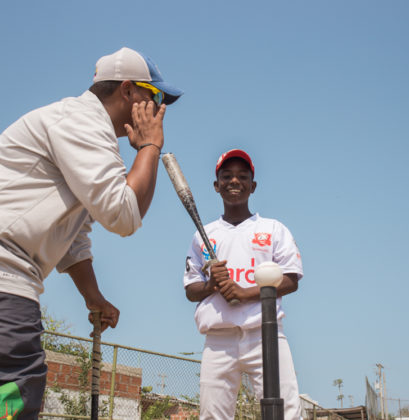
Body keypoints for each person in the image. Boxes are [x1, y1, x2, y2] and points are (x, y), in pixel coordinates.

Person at [0, 47, 182, 419]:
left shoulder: (88, 131)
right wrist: (150, 146)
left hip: (11, 278)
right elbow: (123, 215)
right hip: (6, 279)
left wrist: (92, 297)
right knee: (15, 393)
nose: (158, 108)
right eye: (155, 96)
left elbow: (74, 237)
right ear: (129, 90)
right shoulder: (81, 122)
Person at [183, 149, 303, 419]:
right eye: (226, 176)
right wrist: (212, 284)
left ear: (253, 185)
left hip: (265, 334)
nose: (234, 181)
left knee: (285, 413)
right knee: (213, 416)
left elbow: (291, 279)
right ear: (217, 186)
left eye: (242, 176)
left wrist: (245, 293)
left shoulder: (273, 229)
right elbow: (191, 289)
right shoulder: (204, 235)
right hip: (218, 339)